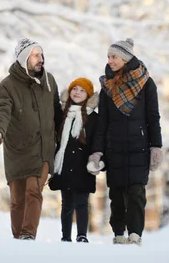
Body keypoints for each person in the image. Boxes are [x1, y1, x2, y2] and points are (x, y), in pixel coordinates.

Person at [88, 38, 162, 246]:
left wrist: (156, 146)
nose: (110, 61)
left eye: (114, 57)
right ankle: (119, 234)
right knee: (117, 194)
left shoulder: (146, 83)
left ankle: (135, 235)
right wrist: (97, 151)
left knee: (137, 192)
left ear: (125, 58)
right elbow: (102, 121)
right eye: (108, 57)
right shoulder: (107, 86)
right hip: (115, 147)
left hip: (139, 147)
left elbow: (153, 117)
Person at [0, 38, 63, 240]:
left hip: (43, 150)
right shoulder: (6, 86)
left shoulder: (50, 81)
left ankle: (28, 234)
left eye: (41, 54)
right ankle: (17, 237)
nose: (41, 59)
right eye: (35, 55)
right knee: (17, 199)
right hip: (18, 150)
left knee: (34, 190)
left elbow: (57, 112)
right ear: (24, 59)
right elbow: (2, 113)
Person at [48, 77, 99, 243]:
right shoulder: (62, 114)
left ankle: (82, 235)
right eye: (75, 89)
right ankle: (66, 237)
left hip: (83, 165)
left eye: (82, 90)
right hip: (64, 164)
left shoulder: (93, 118)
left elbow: (97, 140)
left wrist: (96, 159)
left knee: (82, 202)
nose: (77, 93)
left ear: (88, 95)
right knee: (67, 203)